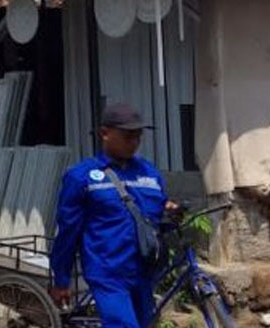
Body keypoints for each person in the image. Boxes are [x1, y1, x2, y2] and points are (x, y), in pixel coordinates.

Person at [50, 103, 176, 328]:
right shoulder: (82, 176)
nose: (134, 142)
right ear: (105, 133)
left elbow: (155, 220)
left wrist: (170, 213)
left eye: (138, 135)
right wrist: (61, 278)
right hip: (108, 273)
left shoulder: (150, 173)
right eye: (128, 135)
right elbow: (68, 231)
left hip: (144, 273)